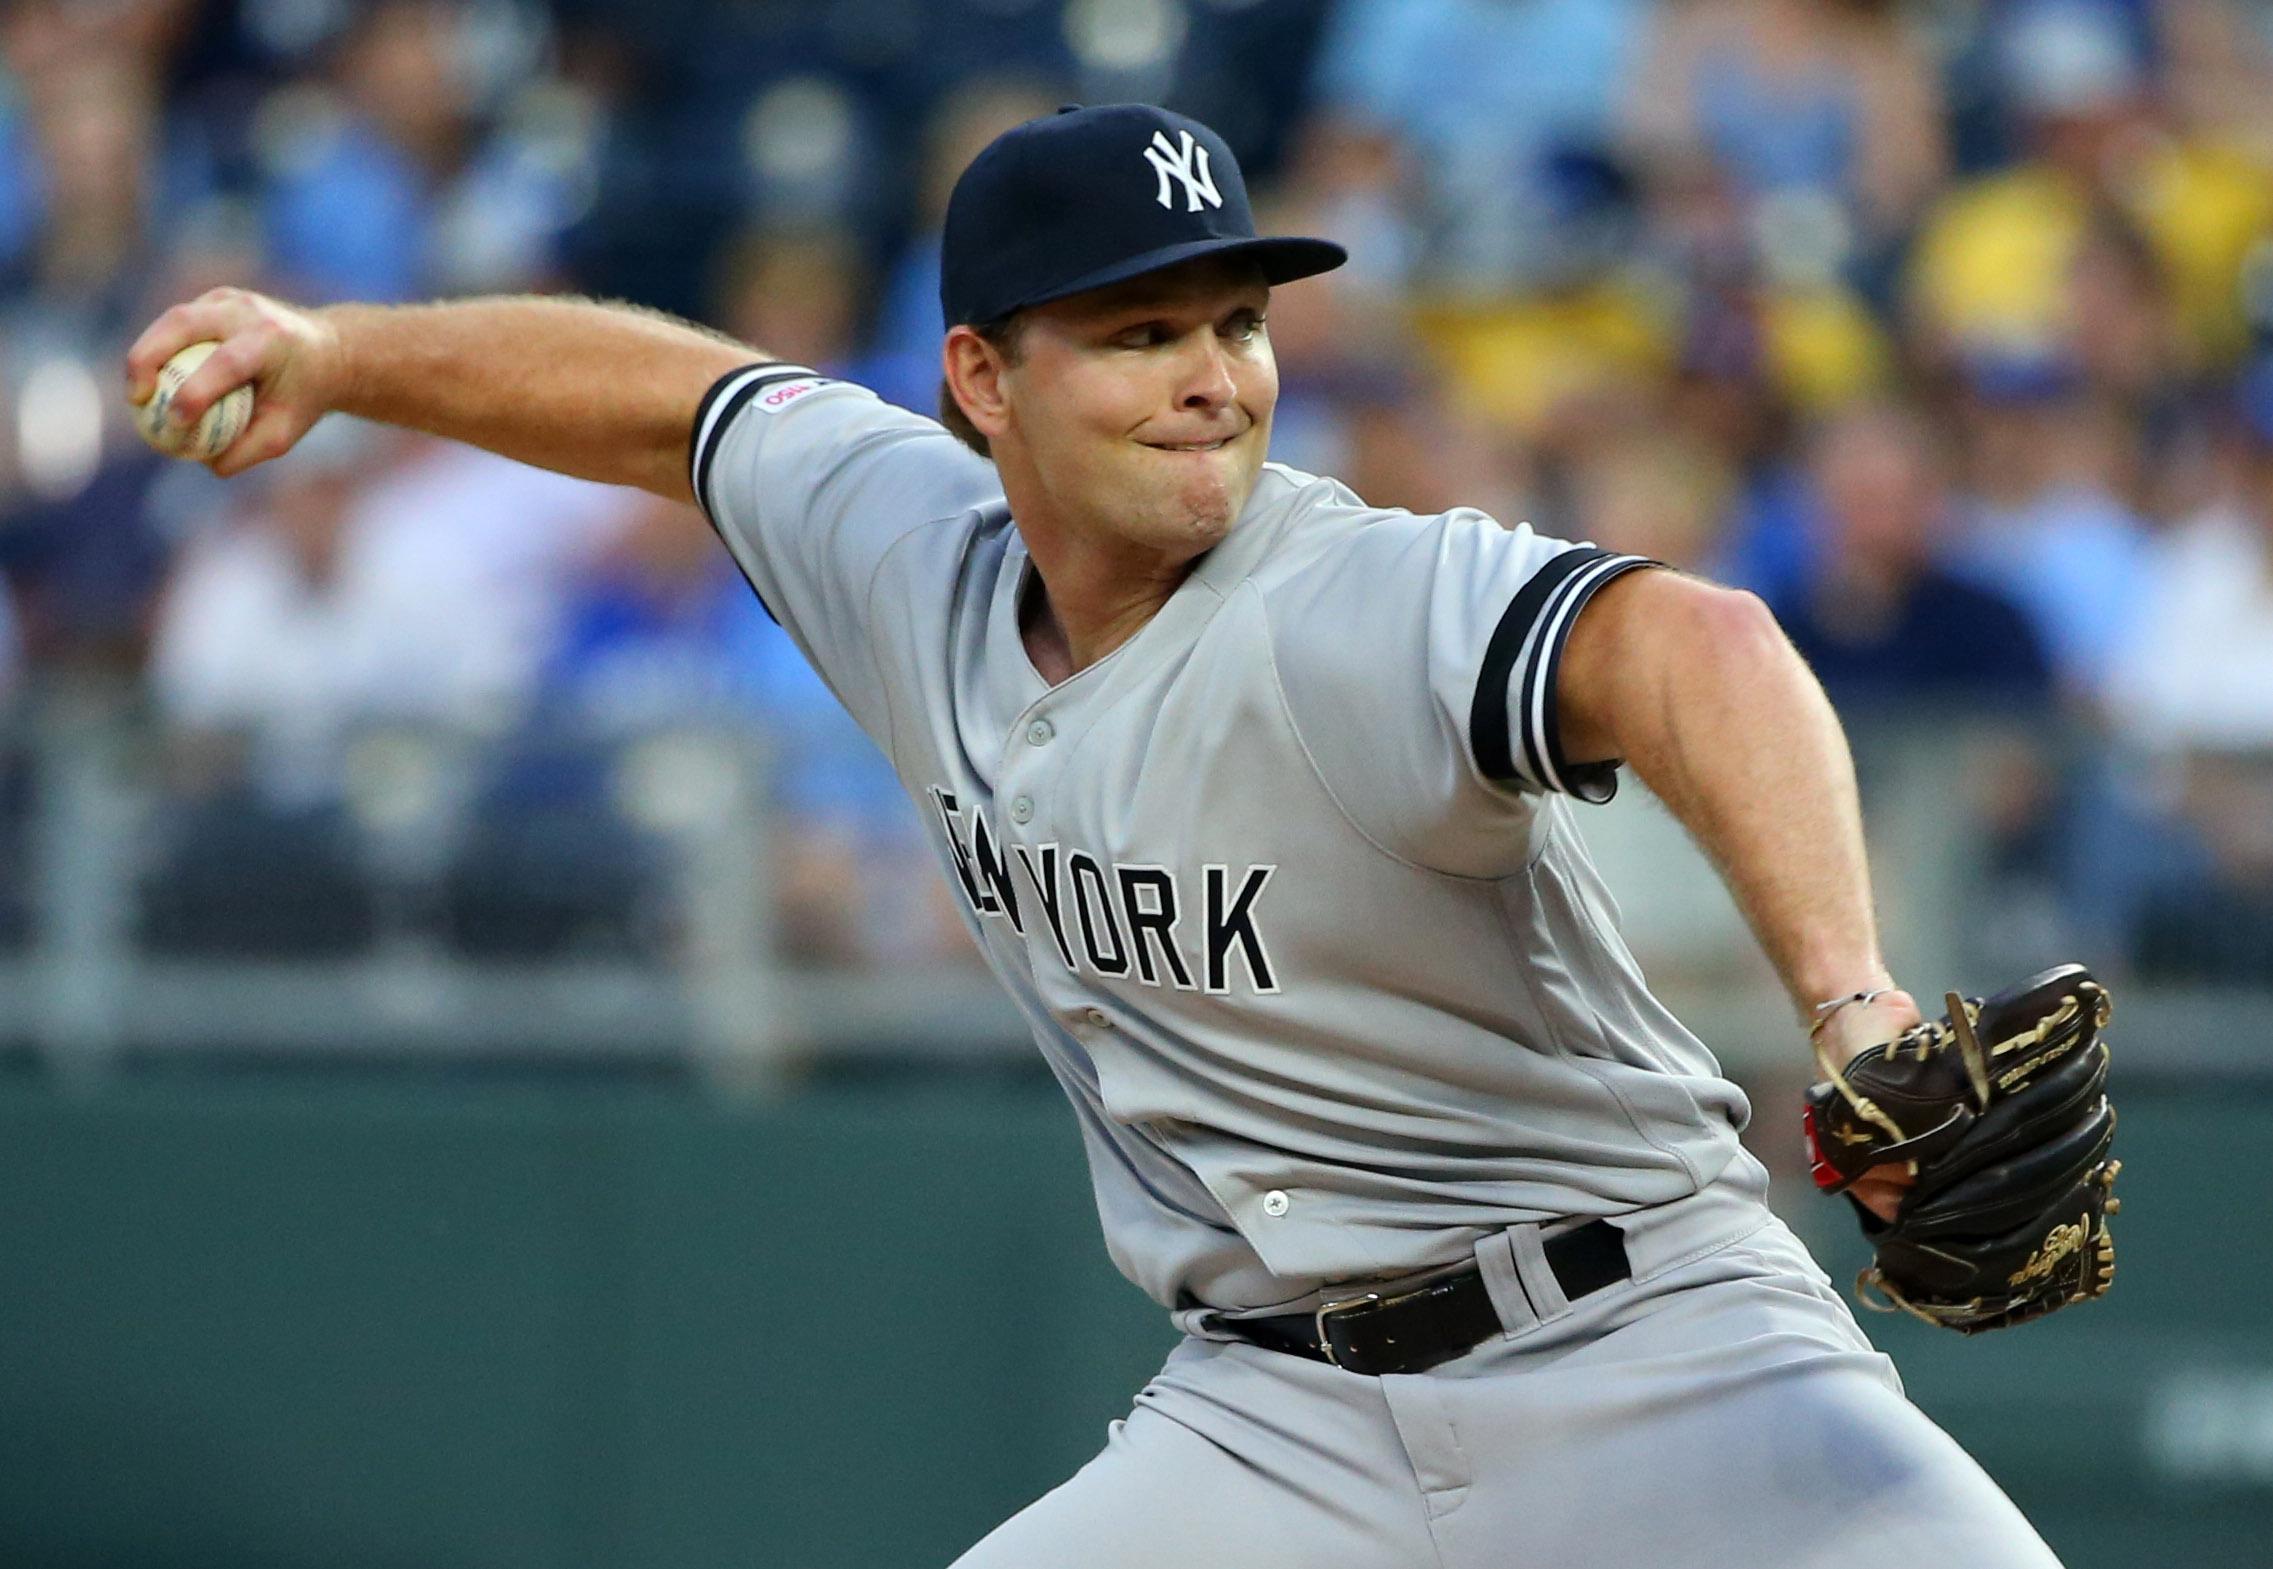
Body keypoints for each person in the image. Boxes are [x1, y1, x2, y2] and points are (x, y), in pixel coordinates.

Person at [128, 102, 2064, 1568]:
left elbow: (1694, 645)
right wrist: (338, 351)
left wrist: (1856, 1005)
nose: (1217, 374)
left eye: (1236, 316)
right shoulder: (902, 542)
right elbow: (680, 402)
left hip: (1655, 1341)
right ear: (983, 379)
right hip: (1273, 1417)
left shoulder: (1354, 603)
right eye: (1140, 333)